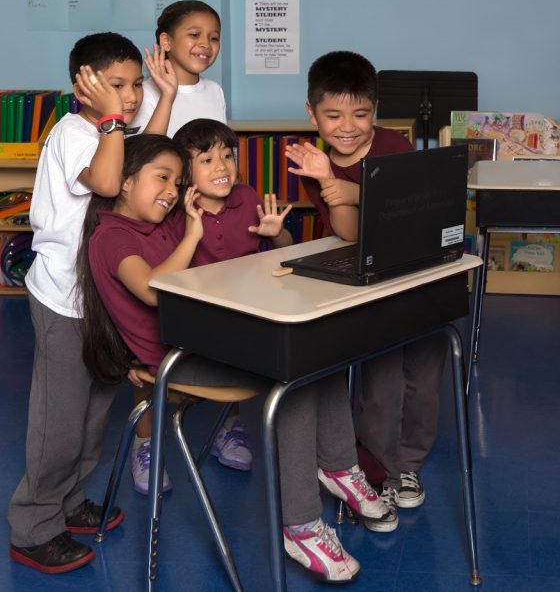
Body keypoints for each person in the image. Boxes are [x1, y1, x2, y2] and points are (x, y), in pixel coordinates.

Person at [79, 133, 390, 584]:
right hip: (180, 358)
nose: (170, 192)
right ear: (124, 183)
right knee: (292, 380)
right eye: (161, 178)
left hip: (205, 340)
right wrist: (193, 234)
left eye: (175, 182)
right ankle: (301, 525)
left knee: (318, 351)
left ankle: (340, 468)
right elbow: (150, 290)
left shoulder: (154, 224)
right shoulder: (113, 236)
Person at [8, 31, 153, 574]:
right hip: (63, 300)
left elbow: (149, 154)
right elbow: (110, 181)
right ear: (84, 86)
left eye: (136, 85)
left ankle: (69, 502)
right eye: (117, 85)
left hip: (100, 297)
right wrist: (113, 119)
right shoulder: (74, 132)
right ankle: (33, 527)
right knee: (60, 421)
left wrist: (159, 99)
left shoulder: (112, 131)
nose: (130, 96)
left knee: (94, 415)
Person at [285, 50, 448, 530]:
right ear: (312, 113)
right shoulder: (317, 163)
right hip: (373, 287)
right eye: (333, 115)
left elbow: (414, 209)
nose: (347, 127)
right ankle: (382, 469)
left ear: (375, 110)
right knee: (381, 383)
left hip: (423, 280)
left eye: (360, 114)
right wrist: (328, 181)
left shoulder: (396, 147)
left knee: (424, 378)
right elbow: (350, 232)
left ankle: (409, 464)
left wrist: (354, 190)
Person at [121, 118, 294, 497]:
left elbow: (285, 248)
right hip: (187, 320)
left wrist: (277, 234)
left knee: (249, 357)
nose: (221, 166)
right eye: (207, 159)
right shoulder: (172, 211)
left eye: (227, 156)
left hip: (240, 319)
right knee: (146, 370)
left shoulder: (247, 197)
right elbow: (151, 284)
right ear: (185, 173)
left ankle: (230, 427)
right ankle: (145, 444)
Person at [131, 0, 225, 137]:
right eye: (194, 35)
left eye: (214, 38)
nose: (206, 44)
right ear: (166, 41)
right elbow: (142, 149)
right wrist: (167, 96)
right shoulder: (143, 93)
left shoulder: (215, 90)